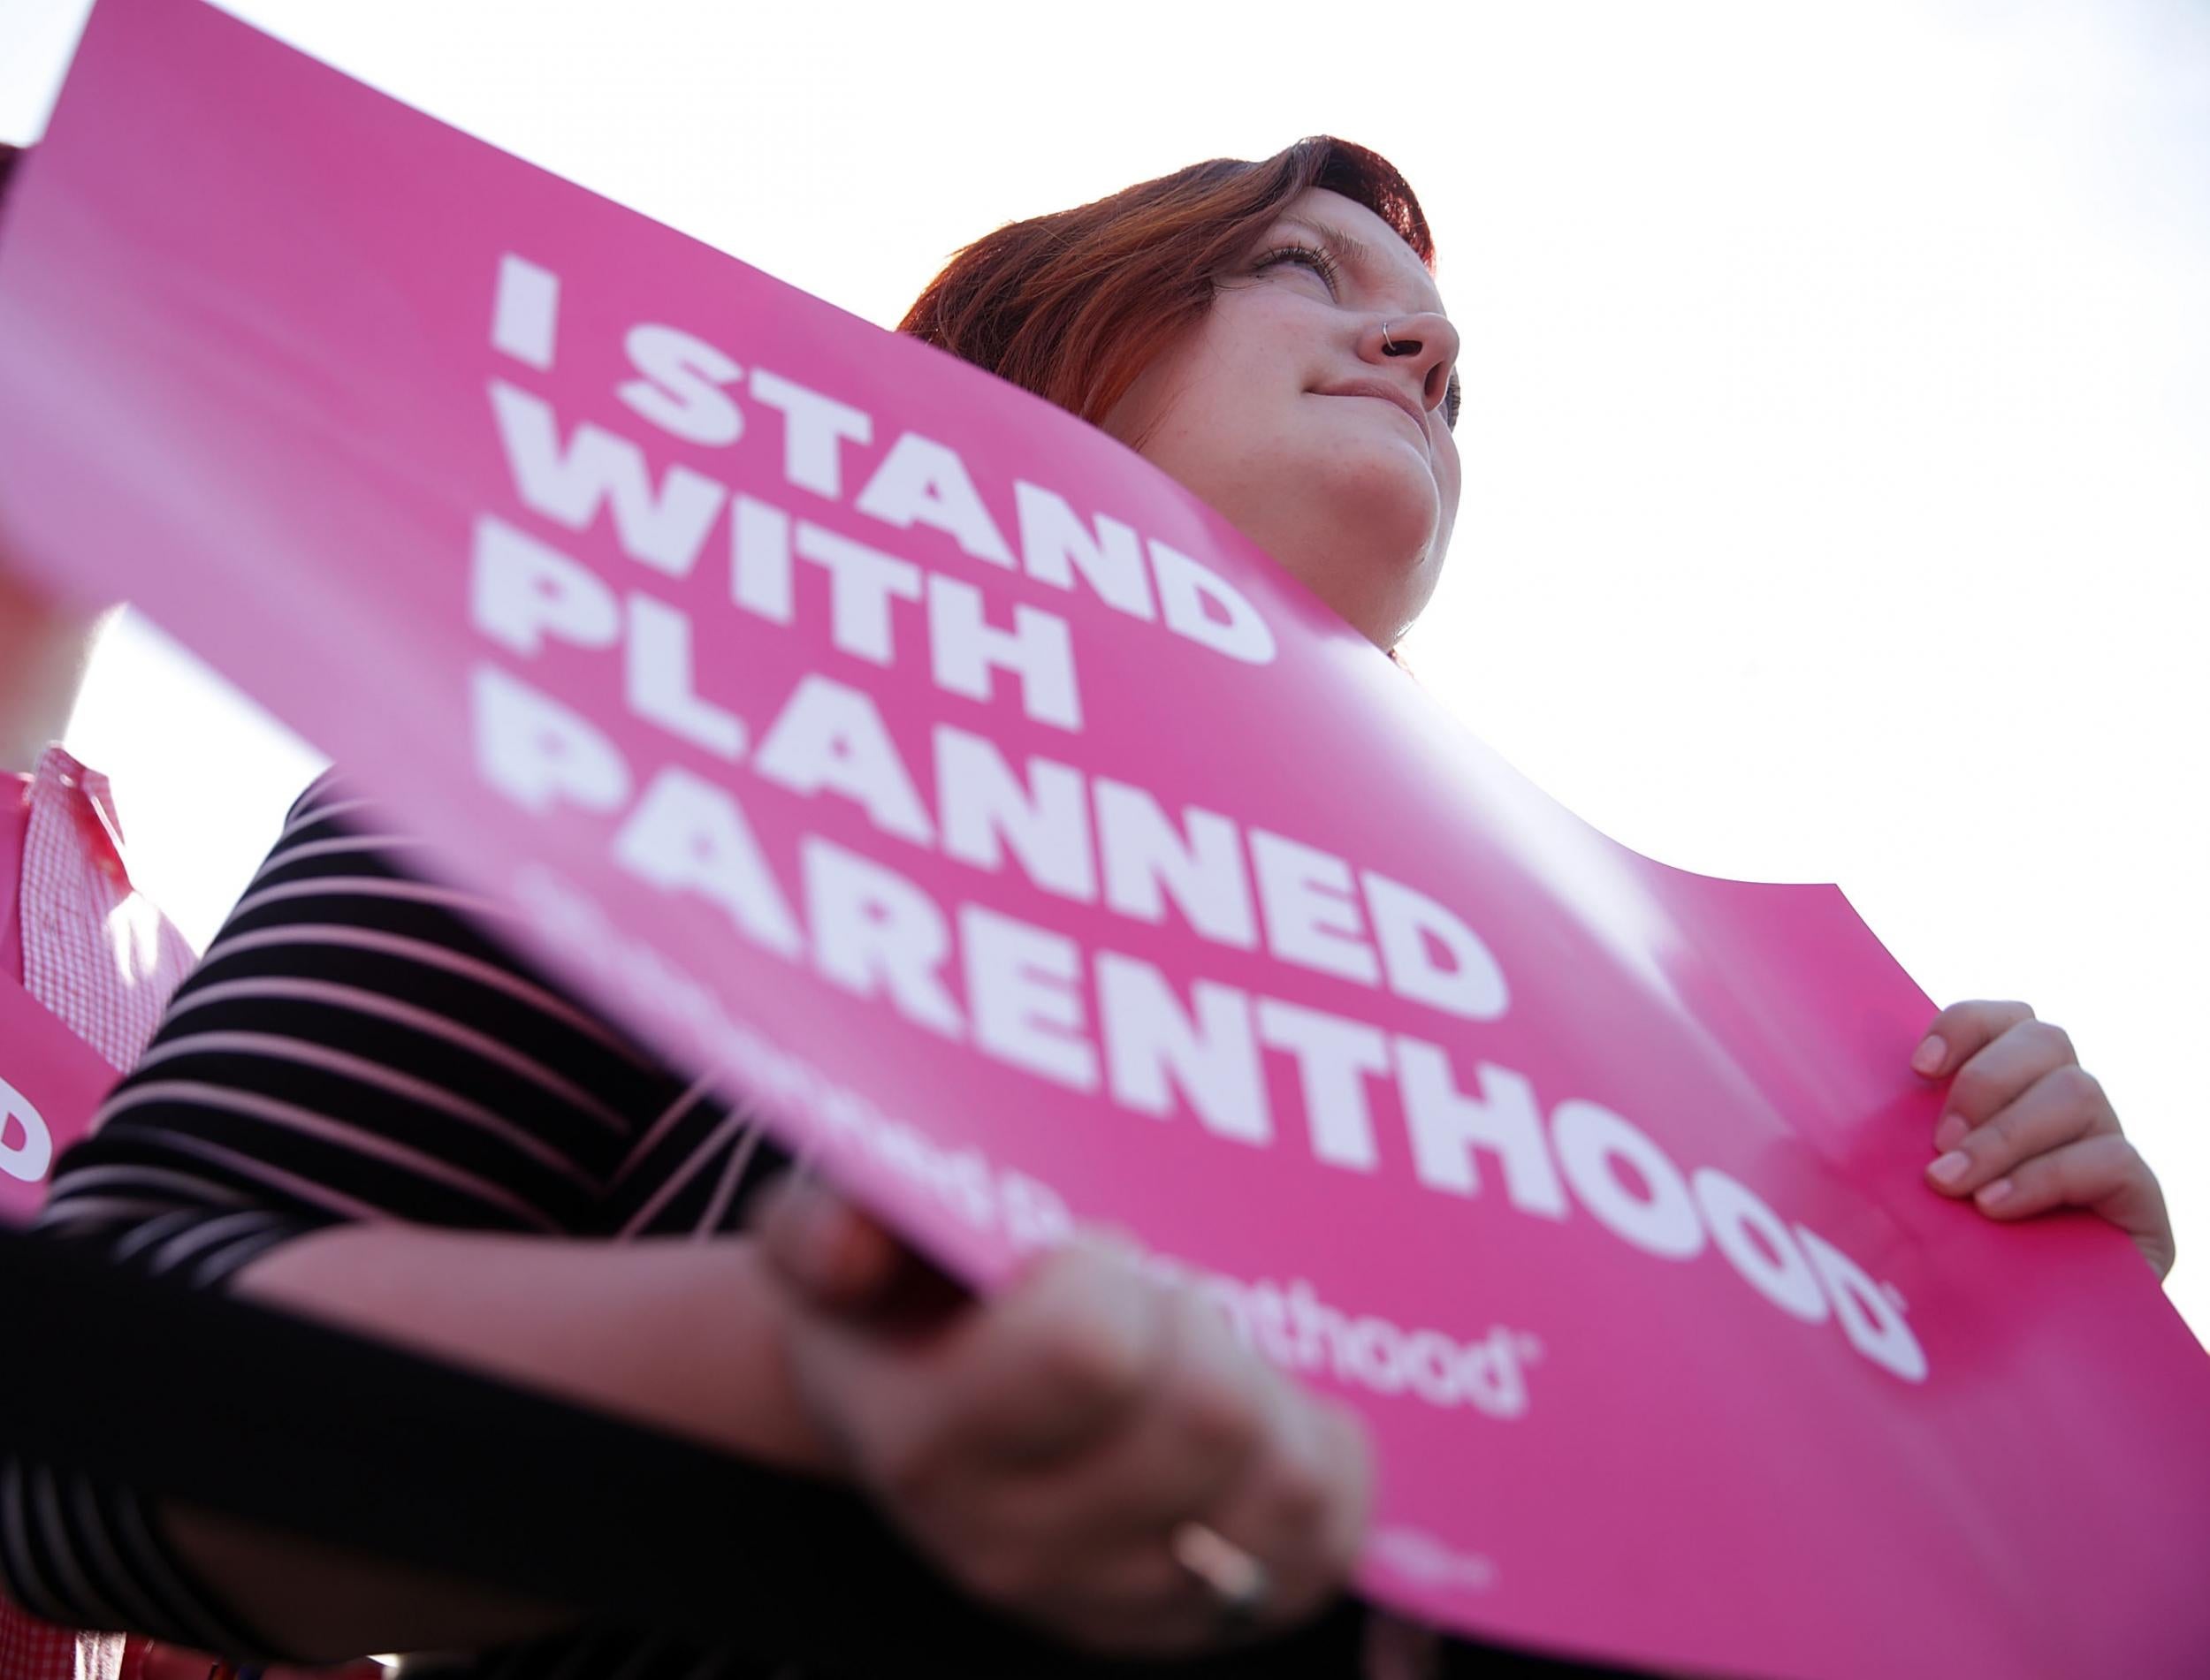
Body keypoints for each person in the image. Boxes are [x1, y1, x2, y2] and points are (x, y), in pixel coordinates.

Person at [0, 136, 2173, 1680]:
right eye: (1306, 272)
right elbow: (95, 1416)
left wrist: (1994, 1374)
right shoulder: (621, 687)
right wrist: (783, 1389)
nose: (1413, 343)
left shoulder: (1665, 1032)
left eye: (1438, 342)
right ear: (1046, 334)